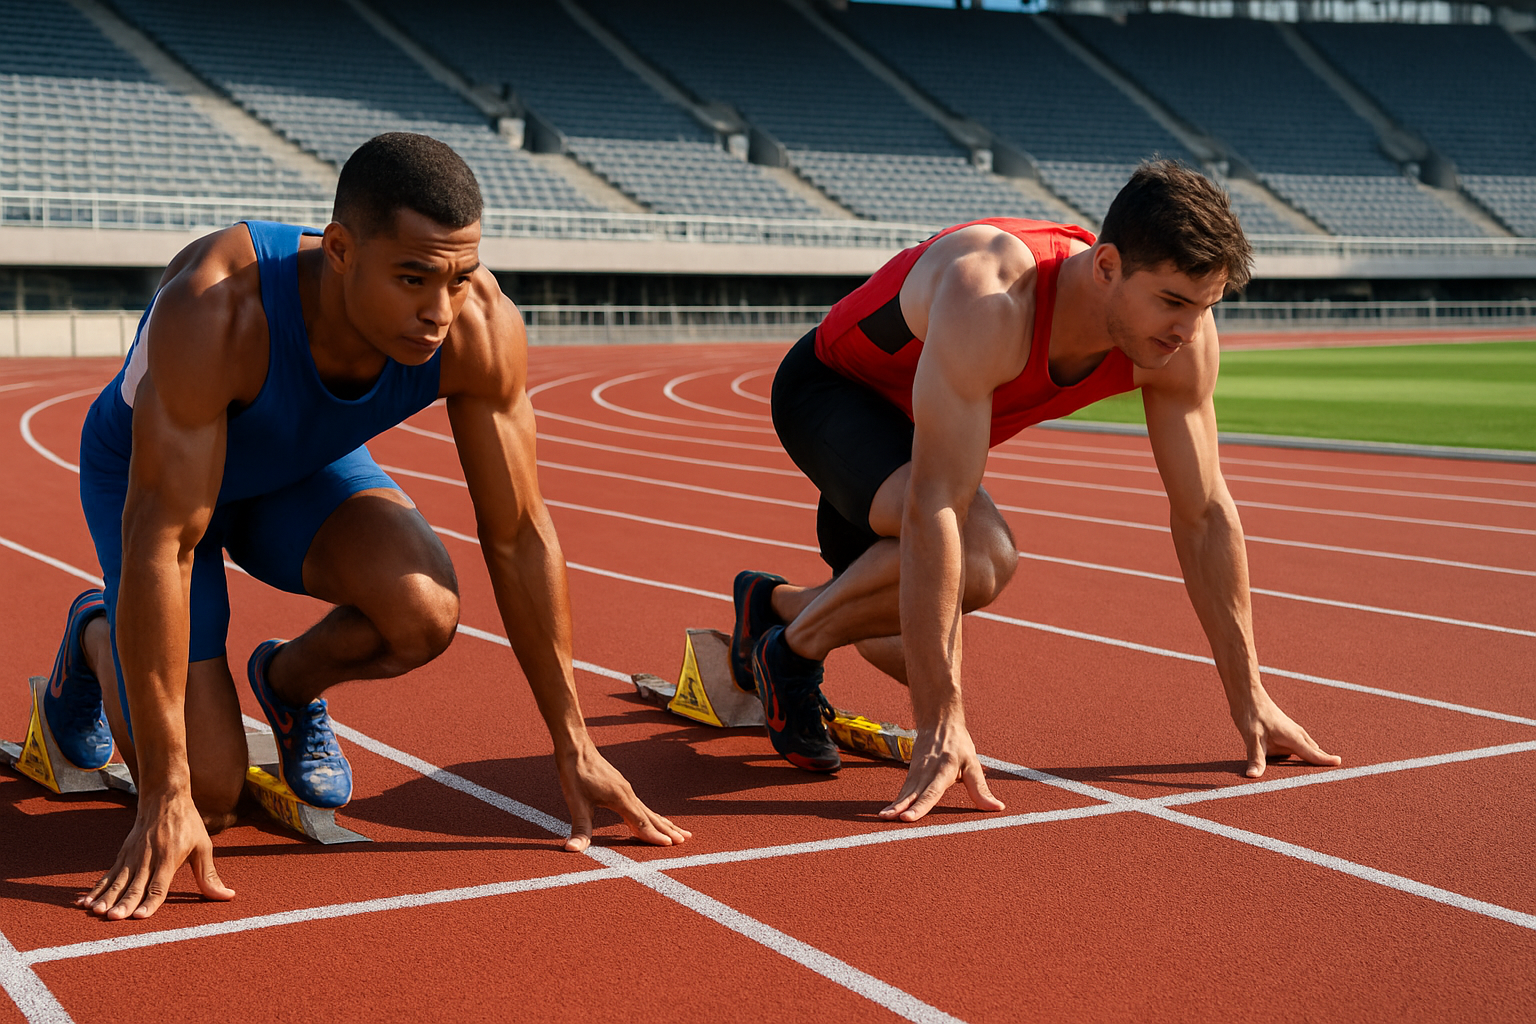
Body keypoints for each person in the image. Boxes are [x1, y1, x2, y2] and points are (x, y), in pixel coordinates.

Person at [43, 132, 689, 923]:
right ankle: (98, 636)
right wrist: (164, 794)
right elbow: (166, 544)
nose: (438, 311)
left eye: (459, 277)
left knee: (425, 613)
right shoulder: (219, 306)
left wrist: (575, 740)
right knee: (210, 794)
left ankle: (286, 685)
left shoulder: (477, 324)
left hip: (294, 470)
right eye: (413, 278)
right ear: (340, 250)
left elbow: (519, 532)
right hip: (152, 488)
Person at [732, 160, 1341, 821]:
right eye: (1172, 303)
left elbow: (1204, 515)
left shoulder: (1179, 339)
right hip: (834, 396)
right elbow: (935, 500)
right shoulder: (991, 295)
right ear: (1106, 266)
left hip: (922, 428)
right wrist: (940, 724)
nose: (1189, 331)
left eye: (1206, 308)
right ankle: (788, 650)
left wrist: (1249, 693)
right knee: (983, 558)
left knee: (904, 648)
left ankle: (777, 613)